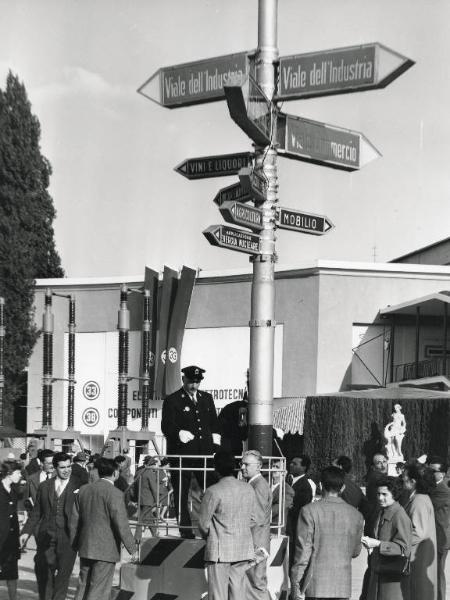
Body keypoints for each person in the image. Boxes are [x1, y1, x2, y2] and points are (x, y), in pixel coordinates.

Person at [161, 365, 221, 538]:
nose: (194, 386)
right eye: (191, 382)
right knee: (182, 493)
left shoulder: (206, 399)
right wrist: (178, 433)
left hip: (204, 455)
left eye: (197, 382)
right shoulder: (173, 400)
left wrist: (215, 444)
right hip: (183, 456)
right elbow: (166, 425)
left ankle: (212, 528)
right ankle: (185, 530)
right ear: (183, 380)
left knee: (211, 491)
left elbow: (213, 423)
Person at [290, 465, 364, 600]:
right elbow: (355, 552)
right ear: (342, 488)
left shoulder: (309, 511)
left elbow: (303, 552)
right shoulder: (356, 515)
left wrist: (296, 585)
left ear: (320, 484)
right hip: (342, 585)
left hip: (315, 584)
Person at [70, 457, 137, 600]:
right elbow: (121, 524)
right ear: (115, 473)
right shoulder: (115, 494)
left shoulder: (84, 490)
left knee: (83, 586)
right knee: (99, 591)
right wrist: (132, 549)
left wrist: (75, 544)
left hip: (85, 546)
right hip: (106, 549)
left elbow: (74, 520)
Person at [198, 450, 257, 600]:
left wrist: (211, 536)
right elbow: (254, 519)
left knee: (218, 594)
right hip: (242, 548)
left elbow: (203, 524)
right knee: (238, 593)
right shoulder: (248, 489)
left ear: (215, 469)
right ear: (235, 467)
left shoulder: (212, 491)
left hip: (220, 551)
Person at [20, 452, 78, 600]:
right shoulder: (45, 486)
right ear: (55, 468)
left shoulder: (79, 485)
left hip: (68, 539)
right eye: (62, 467)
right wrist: (26, 532)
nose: (67, 470)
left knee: (63, 577)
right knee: (45, 573)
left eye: (69, 466)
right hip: (47, 535)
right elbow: (37, 512)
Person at [362, 475, 412, 600]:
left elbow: (404, 549)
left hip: (392, 576)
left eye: (384, 494)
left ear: (394, 494)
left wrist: (378, 544)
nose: (380, 498)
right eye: (378, 494)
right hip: (379, 571)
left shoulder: (399, 515)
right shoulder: (382, 511)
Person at [402, 462, 438, 600]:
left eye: (405, 476)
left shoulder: (419, 501)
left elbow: (418, 532)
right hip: (420, 557)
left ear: (413, 481)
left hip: (418, 558)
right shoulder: (419, 498)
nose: (402, 478)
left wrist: (398, 542)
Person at [241, 449, 272, 600]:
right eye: (242, 464)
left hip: (256, 543)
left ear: (258, 466)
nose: (242, 467)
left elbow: (257, 518)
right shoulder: (255, 484)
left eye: (247, 464)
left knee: (256, 585)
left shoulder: (258, 485)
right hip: (256, 542)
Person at [428, 456, 450, 600]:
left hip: (440, 537)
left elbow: (430, 504)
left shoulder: (443, 490)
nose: (430, 474)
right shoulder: (433, 487)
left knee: (437, 572)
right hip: (433, 535)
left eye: (433, 471)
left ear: (442, 474)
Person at [0, 460, 23, 600]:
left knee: (12, 574)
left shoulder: (15, 489)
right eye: (18, 472)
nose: (20, 475)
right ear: (9, 473)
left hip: (11, 539)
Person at [286, 455, 314, 568]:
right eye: (291, 462)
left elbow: (300, 509)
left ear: (304, 467)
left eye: (295, 464)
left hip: (294, 529)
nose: (291, 465)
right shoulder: (288, 480)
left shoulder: (305, 487)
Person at [23, 448, 55, 514]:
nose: (53, 466)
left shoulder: (60, 477)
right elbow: (26, 500)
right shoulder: (31, 479)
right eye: (49, 463)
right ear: (41, 463)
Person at [271, 460, 293, 534]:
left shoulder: (287, 490)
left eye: (277, 467)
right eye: (273, 466)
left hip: (276, 530)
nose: (273, 469)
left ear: (284, 472)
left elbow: (278, 509)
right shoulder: (267, 485)